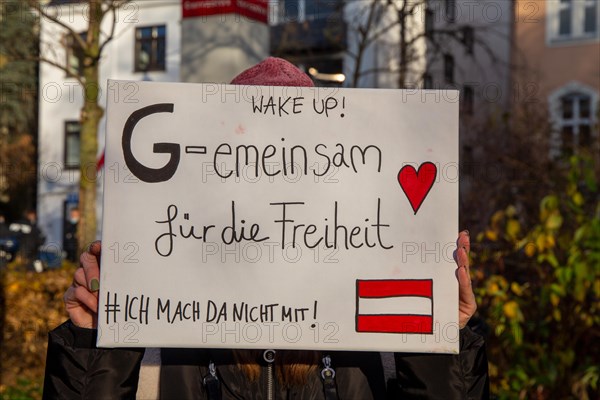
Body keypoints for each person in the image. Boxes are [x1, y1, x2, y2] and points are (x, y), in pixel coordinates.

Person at [43, 58, 489, 399]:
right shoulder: (156, 338)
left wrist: (442, 342)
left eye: (295, 163)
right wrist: (92, 347)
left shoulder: (385, 341)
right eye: (248, 163)